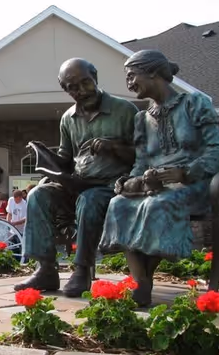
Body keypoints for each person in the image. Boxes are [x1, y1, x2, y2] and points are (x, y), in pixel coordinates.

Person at [99, 50, 219, 307]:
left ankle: (144, 282)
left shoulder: (195, 104)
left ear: (153, 73)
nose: (129, 83)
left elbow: (217, 150)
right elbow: (141, 162)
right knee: (118, 203)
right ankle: (141, 281)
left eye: (132, 76)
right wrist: (130, 181)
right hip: (154, 187)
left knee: (159, 204)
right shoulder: (142, 119)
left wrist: (185, 173)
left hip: (194, 184)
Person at [14, 58, 139, 297]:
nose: (81, 91)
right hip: (77, 184)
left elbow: (144, 153)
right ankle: (46, 269)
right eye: (73, 87)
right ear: (66, 89)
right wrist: (46, 155)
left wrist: (114, 148)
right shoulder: (67, 119)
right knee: (38, 194)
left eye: (86, 83)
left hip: (111, 187)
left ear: (96, 78)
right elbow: (66, 158)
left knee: (90, 199)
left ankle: (82, 269)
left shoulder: (124, 111)